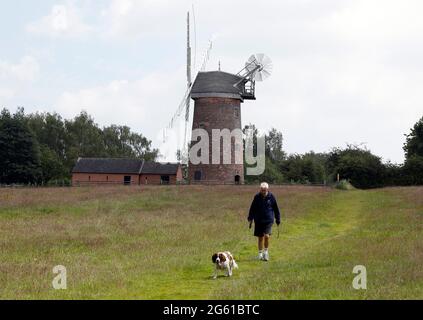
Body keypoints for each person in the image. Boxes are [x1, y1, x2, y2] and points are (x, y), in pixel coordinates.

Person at [248, 182, 281, 261]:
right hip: (258, 220)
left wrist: (278, 218)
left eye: (264, 190)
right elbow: (252, 208)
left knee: (266, 236)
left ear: (267, 189)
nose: (263, 191)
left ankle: (266, 253)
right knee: (260, 237)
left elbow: (276, 209)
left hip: (268, 219)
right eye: (262, 190)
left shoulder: (271, 197)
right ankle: (260, 254)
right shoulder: (256, 197)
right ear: (260, 189)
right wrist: (250, 217)